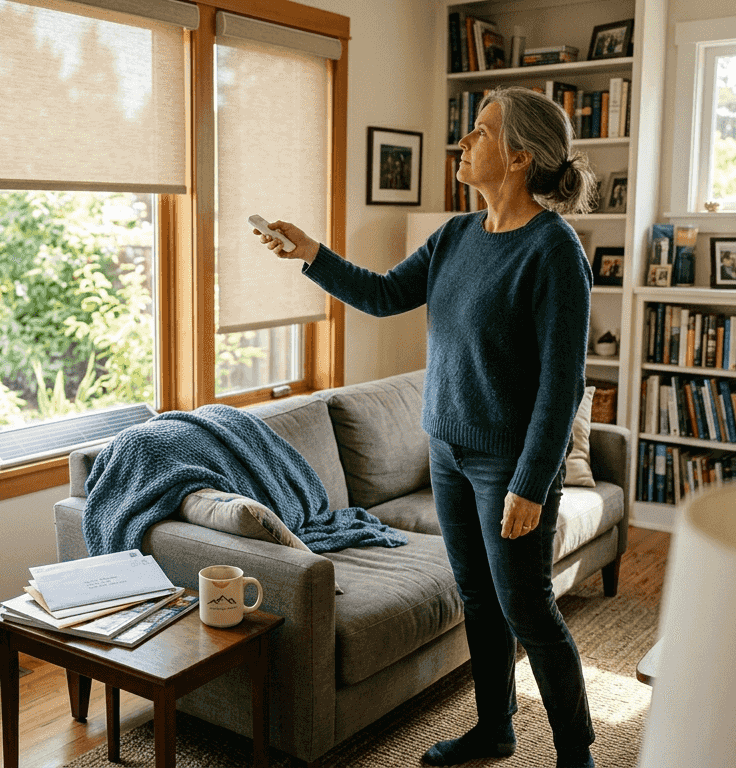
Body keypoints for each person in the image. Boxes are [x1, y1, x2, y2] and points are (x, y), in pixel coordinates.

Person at [254, 86, 597, 768]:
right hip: (444, 447)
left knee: (527, 607)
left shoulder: (553, 251)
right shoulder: (456, 236)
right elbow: (384, 295)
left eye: (480, 132)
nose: (462, 143)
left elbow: (564, 384)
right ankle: (494, 730)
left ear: (520, 157)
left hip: (509, 467)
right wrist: (311, 252)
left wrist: (531, 484)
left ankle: (576, 755)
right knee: (477, 598)